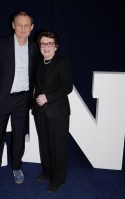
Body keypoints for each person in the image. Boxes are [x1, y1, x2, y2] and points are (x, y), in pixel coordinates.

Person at [0, 11, 37, 189]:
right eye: (19, 25)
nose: (22, 28)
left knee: (19, 136)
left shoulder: (34, 48)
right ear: (13, 25)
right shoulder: (1, 43)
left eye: (26, 25)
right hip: (1, 99)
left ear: (31, 28)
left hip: (23, 100)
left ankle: (17, 167)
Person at [33, 31, 73, 193]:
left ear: (56, 46)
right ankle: (47, 171)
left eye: (50, 44)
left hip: (57, 111)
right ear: (39, 46)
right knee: (44, 144)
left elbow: (67, 87)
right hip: (40, 111)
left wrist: (47, 97)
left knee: (58, 146)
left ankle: (58, 178)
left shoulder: (62, 62)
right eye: (43, 44)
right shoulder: (38, 62)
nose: (46, 47)